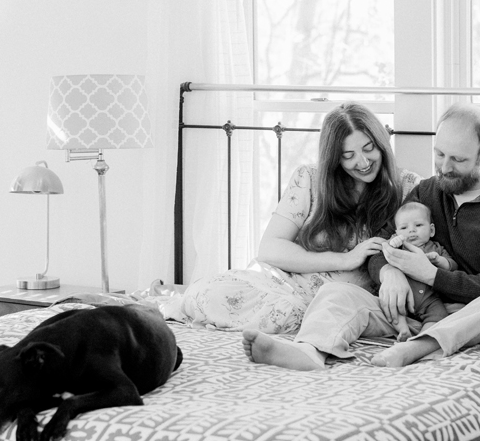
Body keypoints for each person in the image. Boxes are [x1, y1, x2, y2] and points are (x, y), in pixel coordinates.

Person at [242, 102, 480, 370]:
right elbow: (382, 243)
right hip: (413, 309)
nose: (444, 168)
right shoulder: (428, 190)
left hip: (473, 315)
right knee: (336, 294)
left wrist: (434, 276)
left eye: (458, 160)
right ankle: (308, 350)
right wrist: (387, 272)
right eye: (439, 154)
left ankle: (421, 347)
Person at [172, 102, 421, 334]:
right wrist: (345, 259)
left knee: (321, 313)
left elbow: (424, 247)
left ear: (382, 144)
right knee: (205, 292)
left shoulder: (409, 188)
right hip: (284, 286)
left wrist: (392, 272)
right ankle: (305, 324)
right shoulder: (310, 180)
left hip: (341, 301)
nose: (363, 162)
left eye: (369, 148)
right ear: (334, 158)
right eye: (348, 155)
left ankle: (311, 327)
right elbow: (270, 249)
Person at [386, 201, 456, 341]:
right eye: (404, 227)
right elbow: (386, 253)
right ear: (397, 233)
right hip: (402, 294)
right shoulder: (400, 248)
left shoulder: (436, 248)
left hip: (429, 299)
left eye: (418, 225)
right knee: (391, 307)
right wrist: (392, 243)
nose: (411, 230)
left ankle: (423, 337)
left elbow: (452, 265)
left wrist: (439, 261)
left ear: (431, 230)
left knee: (439, 315)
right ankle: (403, 330)